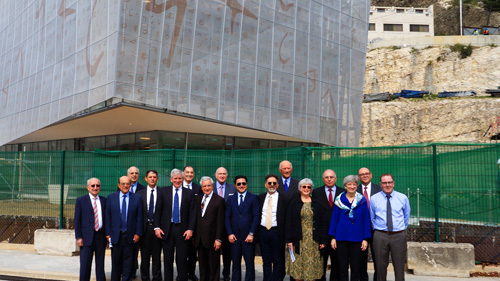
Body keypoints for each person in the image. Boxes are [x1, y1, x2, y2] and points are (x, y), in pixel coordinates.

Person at [154, 168, 196, 281]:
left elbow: (193, 213)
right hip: (167, 230)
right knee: (167, 259)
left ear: (182, 179)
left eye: (179, 178)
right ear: (171, 179)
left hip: (183, 230)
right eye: (175, 178)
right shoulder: (163, 191)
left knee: (182, 259)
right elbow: (158, 211)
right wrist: (157, 227)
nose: (177, 180)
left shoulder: (189, 193)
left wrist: (191, 229)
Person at [329, 175, 371, 281]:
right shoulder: (339, 200)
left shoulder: (362, 200)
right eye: (349, 184)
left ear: (357, 186)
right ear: (345, 186)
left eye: (354, 184)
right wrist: (333, 237)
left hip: (357, 239)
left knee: (356, 268)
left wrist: (365, 239)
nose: (352, 186)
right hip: (341, 238)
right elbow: (334, 219)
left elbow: (365, 220)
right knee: (342, 268)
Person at [369, 174, 410, 281]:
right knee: (380, 266)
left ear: (393, 183)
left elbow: (406, 216)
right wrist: (379, 230)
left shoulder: (402, 198)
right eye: (384, 183)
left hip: (398, 235)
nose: (387, 185)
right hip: (380, 235)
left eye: (389, 182)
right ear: (380, 184)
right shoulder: (374, 199)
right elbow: (372, 217)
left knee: (399, 265)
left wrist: (400, 229)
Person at [106, 176, 143, 281]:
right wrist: (108, 234)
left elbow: (139, 217)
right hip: (116, 236)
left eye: (128, 183)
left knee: (129, 263)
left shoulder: (136, 198)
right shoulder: (111, 197)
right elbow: (108, 216)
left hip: (130, 236)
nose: (125, 186)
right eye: (123, 183)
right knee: (116, 262)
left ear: (130, 185)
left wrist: (138, 233)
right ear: (119, 185)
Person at [285, 178, 323, 281]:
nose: (306, 189)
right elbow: (289, 222)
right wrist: (289, 240)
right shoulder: (293, 203)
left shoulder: (317, 203)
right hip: (298, 240)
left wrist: (323, 240)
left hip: (313, 242)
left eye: (308, 187)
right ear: (300, 188)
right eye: (304, 187)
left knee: (312, 271)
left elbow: (322, 223)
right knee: (298, 270)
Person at [311, 169, 345, 281]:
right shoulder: (316, 192)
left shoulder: (342, 192)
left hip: (338, 232)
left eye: (331, 177)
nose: (329, 179)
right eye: (326, 177)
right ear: (323, 179)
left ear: (335, 178)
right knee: (321, 261)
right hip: (322, 233)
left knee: (337, 262)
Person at [225, 175, 260, 281]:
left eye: (243, 183)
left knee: (249, 263)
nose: (241, 185)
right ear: (235, 185)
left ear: (247, 184)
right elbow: (227, 217)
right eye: (239, 184)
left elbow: (256, 217)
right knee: (235, 263)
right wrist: (230, 233)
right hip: (234, 236)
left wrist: (251, 233)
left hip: (248, 237)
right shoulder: (231, 199)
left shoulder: (253, 198)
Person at [74, 178, 107, 281]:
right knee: (85, 266)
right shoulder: (81, 200)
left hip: (100, 237)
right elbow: (77, 220)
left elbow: (106, 219)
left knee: (100, 265)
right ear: (88, 187)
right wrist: (78, 237)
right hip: (86, 237)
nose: (95, 188)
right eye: (93, 186)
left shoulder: (104, 200)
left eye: (97, 185)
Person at [194, 176, 226, 281]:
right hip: (199, 239)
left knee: (213, 266)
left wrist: (218, 239)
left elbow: (220, 222)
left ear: (212, 186)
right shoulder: (198, 199)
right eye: (204, 186)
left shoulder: (219, 200)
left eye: (209, 185)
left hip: (213, 240)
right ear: (201, 187)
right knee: (202, 266)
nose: (207, 188)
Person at [258, 174, 286, 281]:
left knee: (277, 260)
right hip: (263, 232)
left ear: (278, 185)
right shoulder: (260, 198)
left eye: (274, 183)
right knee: (266, 260)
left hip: (277, 232)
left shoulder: (283, 198)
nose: (272, 185)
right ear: (266, 185)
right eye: (270, 183)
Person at [356, 167, 382, 281]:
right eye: (362, 174)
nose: (364, 176)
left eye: (366, 173)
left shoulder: (379, 188)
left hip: (377, 228)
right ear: (359, 177)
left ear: (371, 175)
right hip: (360, 229)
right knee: (361, 257)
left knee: (378, 257)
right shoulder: (354, 189)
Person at [137, 170, 162, 281]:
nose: (152, 179)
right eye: (150, 177)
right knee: (145, 256)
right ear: (146, 179)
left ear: (157, 179)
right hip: (144, 228)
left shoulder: (163, 193)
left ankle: (156, 278)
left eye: (154, 177)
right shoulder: (139, 194)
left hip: (158, 228)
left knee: (157, 256)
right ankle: (145, 277)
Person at [215, 167, 236, 281]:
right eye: (220, 174)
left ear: (227, 175)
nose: (222, 176)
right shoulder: (210, 187)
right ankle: (215, 274)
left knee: (228, 253)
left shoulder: (233, 188)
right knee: (214, 252)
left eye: (224, 174)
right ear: (215, 175)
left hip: (228, 226)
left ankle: (226, 274)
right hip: (213, 226)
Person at [184, 165, 201, 281]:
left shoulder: (198, 189)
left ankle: (191, 272)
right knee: (181, 252)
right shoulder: (178, 186)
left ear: (194, 174)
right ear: (183, 174)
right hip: (181, 225)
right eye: (187, 172)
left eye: (191, 172)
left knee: (192, 252)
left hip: (194, 225)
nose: (189, 174)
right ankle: (182, 273)